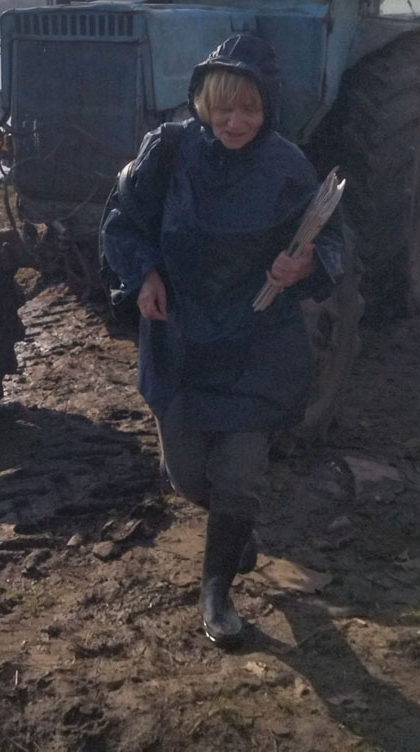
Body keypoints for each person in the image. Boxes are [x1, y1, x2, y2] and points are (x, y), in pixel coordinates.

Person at [101, 33, 344, 646]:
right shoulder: (169, 151)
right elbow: (122, 221)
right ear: (201, 102)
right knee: (187, 477)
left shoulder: (289, 166)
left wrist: (307, 263)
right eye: (223, 107)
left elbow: (339, 242)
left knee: (238, 475)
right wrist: (144, 273)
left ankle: (216, 594)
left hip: (257, 340)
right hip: (181, 336)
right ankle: (236, 530)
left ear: (269, 109)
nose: (236, 121)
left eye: (251, 109)